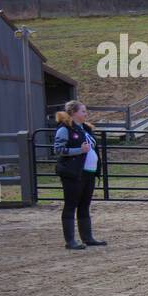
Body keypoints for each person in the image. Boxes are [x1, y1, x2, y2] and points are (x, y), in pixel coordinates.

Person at [52, 101, 106, 250]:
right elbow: (57, 150)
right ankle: (70, 241)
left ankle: (87, 238)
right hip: (73, 172)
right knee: (71, 205)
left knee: (84, 205)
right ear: (74, 112)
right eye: (83, 111)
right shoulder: (65, 129)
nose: (85, 113)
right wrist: (79, 150)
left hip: (88, 172)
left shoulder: (86, 129)